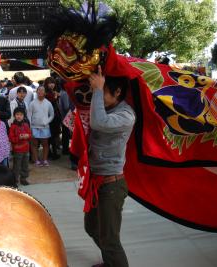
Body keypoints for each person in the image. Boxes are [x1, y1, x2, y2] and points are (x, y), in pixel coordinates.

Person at [85, 66, 135, 267]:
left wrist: (97, 89)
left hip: (111, 185)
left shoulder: (126, 115)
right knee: (92, 228)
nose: (98, 96)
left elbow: (99, 123)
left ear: (117, 92)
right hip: (97, 182)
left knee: (111, 241)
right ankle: (110, 263)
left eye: (103, 92)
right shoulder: (105, 107)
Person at [28, 86, 54, 167]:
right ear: (36, 92)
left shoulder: (48, 103)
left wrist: (46, 122)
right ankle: (36, 160)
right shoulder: (32, 103)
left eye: (42, 90)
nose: (40, 92)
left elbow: (52, 115)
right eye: (39, 90)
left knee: (45, 144)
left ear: (45, 92)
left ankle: (45, 160)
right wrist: (30, 126)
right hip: (34, 126)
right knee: (34, 144)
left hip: (45, 127)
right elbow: (29, 115)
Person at [9, 107, 31, 185]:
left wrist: (27, 136)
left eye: (21, 115)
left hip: (26, 149)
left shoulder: (26, 125)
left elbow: (30, 135)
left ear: (23, 116)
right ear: (14, 116)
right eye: (17, 114)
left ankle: (23, 178)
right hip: (17, 150)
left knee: (25, 165)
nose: (19, 116)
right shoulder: (13, 126)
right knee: (17, 166)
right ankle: (15, 180)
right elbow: (11, 139)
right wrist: (19, 137)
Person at [44, 77, 61, 160]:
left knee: (53, 135)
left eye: (53, 83)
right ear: (46, 84)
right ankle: (52, 153)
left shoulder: (54, 92)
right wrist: (55, 98)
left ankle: (51, 152)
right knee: (51, 135)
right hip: (50, 117)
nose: (51, 85)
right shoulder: (46, 94)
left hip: (55, 116)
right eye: (49, 83)